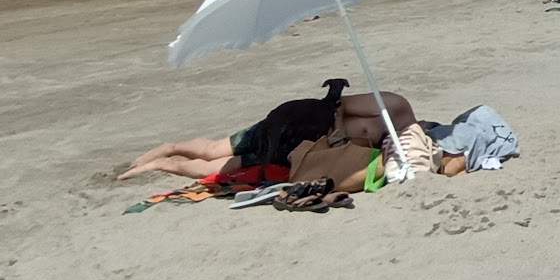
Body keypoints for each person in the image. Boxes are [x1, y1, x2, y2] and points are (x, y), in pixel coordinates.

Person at [119, 83, 417, 180]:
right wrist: (337, 131)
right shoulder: (393, 105)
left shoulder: (390, 147)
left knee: (222, 168)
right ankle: (169, 148)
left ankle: (162, 164)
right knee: (214, 150)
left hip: (296, 151)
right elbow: (333, 104)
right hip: (288, 128)